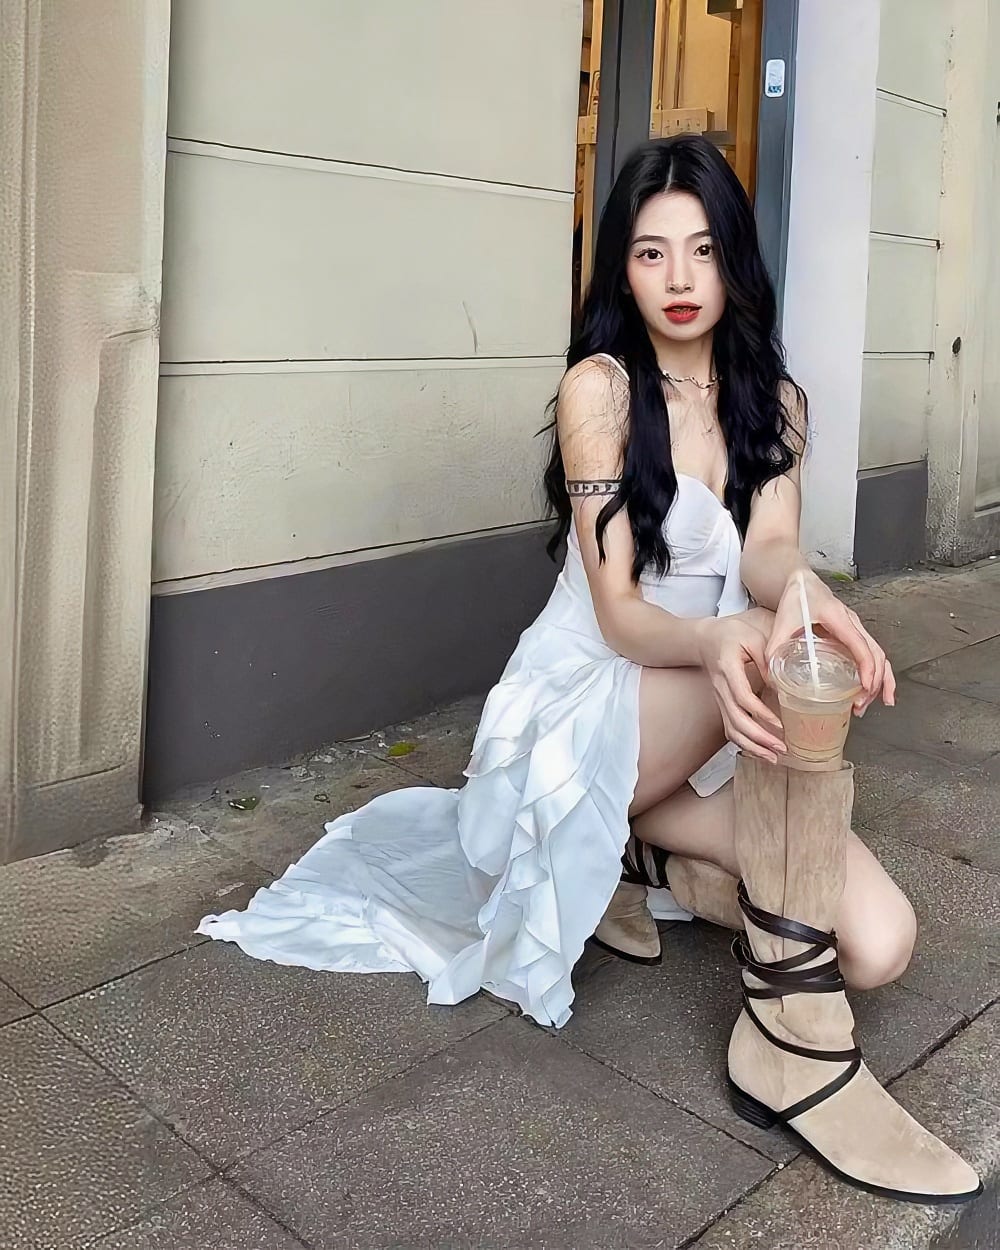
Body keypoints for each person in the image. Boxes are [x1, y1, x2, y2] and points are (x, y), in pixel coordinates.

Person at [200, 136, 979, 1204]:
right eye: (650, 254)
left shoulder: (774, 402)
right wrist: (735, 631)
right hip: (583, 712)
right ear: (619, 267)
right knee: (758, 636)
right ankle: (790, 1041)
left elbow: (767, 552)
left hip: (697, 718)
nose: (678, 279)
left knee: (882, 943)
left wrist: (812, 594)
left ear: (734, 260)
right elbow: (618, 614)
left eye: (701, 250)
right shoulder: (600, 390)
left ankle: (642, 858)